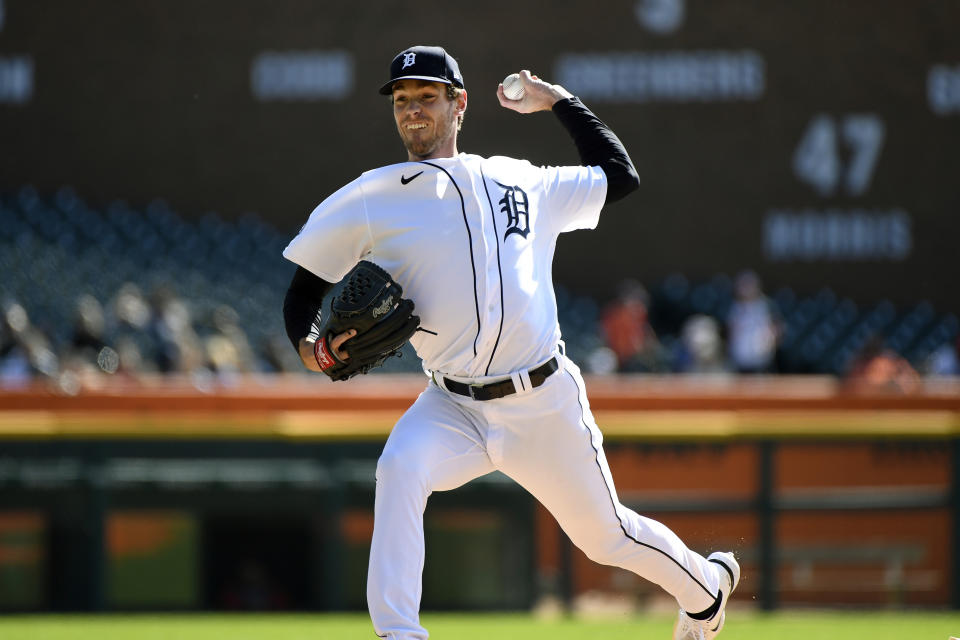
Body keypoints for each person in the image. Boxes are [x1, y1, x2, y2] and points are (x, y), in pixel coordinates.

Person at [282, 45, 739, 640]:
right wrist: (311, 353)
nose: (412, 110)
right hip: (453, 404)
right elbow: (301, 295)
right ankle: (399, 633)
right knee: (399, 467)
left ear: (459, 104)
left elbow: (618, 175)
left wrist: (559, 101)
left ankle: (705, 593)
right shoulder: (371, 198)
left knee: (606, 537)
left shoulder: (519, 178)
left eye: (427, 97)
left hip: (542, 400)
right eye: (401, 100)